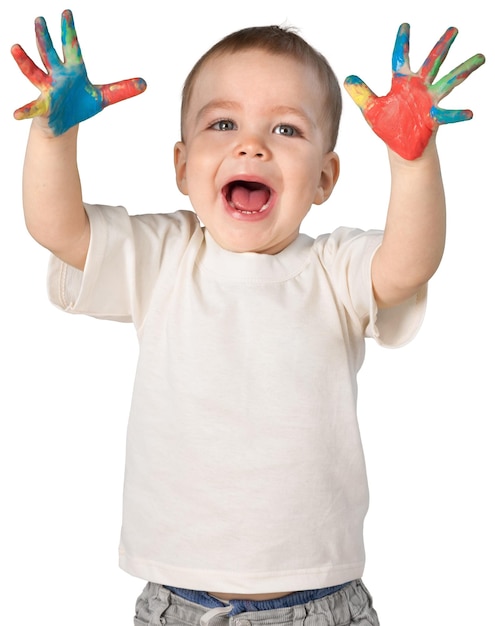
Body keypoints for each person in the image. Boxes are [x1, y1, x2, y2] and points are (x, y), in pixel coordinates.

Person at [11, 9, 485, 626]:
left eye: (286, 129)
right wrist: (53, 137)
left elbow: (408, 264)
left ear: (325, 176)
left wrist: (413, 163)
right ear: (182, 167)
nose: (251, 143)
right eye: (224, 122)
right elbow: (59, 228)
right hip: (180, 602)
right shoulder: (163, 258)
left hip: (320, 601)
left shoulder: (334, 269)